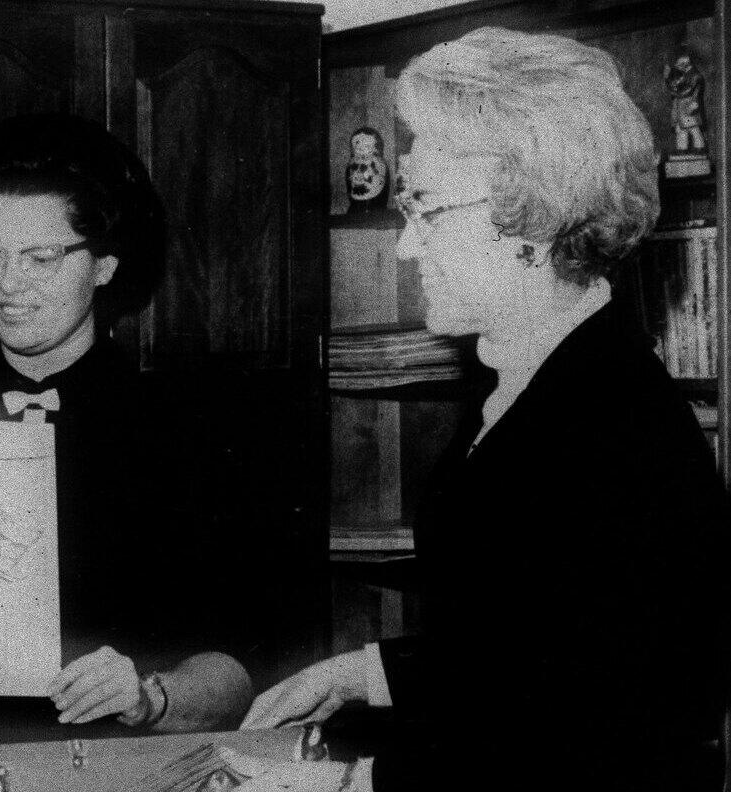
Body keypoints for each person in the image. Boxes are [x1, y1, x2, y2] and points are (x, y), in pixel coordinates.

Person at [242, 27, 730, 792]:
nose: (407, 247)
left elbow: (584, 734)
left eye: (428, 210)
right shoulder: (530, 376)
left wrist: (346, 784)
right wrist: (360, 670)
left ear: (530, 219)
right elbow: (529, 643)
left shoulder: (612, 429)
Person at [0, 114, 256, 742]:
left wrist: (150, 697)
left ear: (105, 266)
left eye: (39, 259)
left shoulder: (181, 429)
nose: (10, 286)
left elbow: (236, 672)